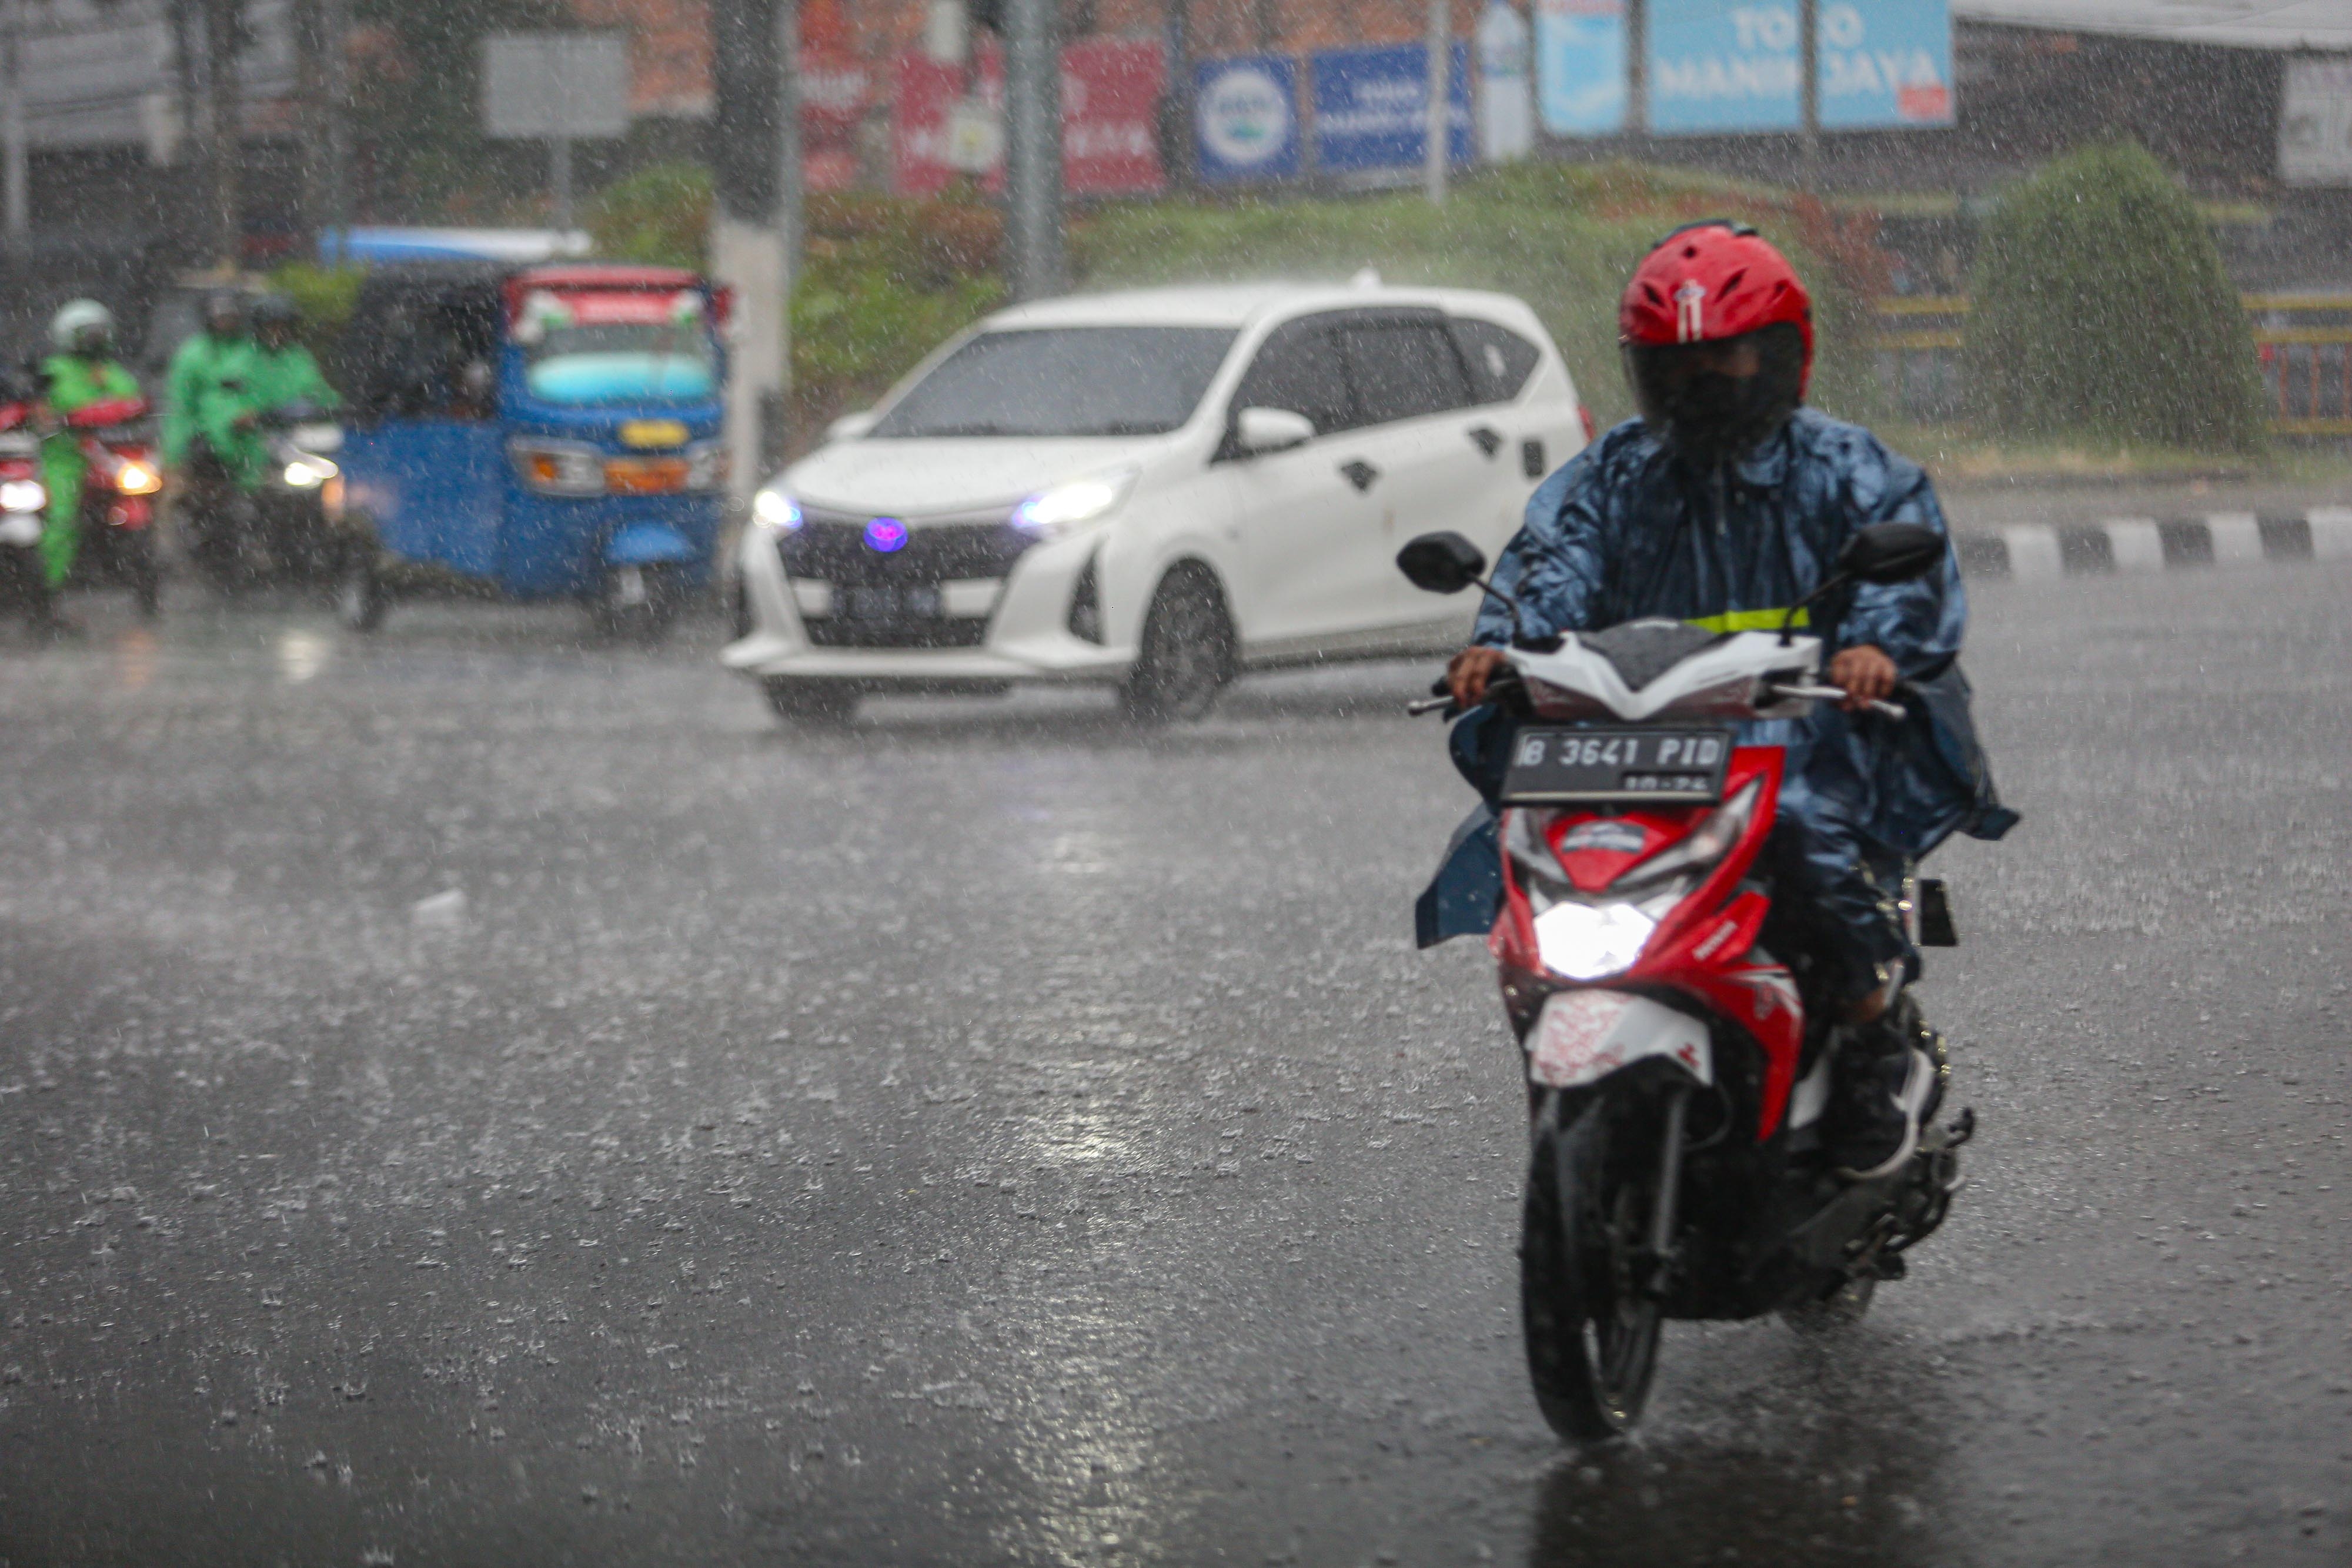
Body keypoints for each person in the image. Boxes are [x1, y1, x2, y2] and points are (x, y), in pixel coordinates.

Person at [1433, 220, 2014, 1179]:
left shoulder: (1849, 470)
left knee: (1799, 830)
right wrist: (1503, 648)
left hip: (1809, 733)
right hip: (1636, 739)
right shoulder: (1616, 477)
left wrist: (1873, 647)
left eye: (1732, 357)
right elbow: (1553, 567)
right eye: (1678, 366)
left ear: (1785, 354)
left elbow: (1904, 569)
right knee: (1525, 848)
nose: (1707, 384)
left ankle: (1870, 1042)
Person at [34, 299, 143, 633]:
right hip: (65, 458)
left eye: (100, 334)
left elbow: (132, 399)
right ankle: (47, 593)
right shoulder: (53, 370)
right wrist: (92, 412)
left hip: (106, 457)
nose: (95, 341)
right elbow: (65, 406)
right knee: (62, 520)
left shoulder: (110, 370)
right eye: (87, 335)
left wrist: (100, 411)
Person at [194, 293, 340, 492]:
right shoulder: (240, 360)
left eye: (283, 326)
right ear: (258, 328)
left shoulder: (299, 359)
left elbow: (320, 393)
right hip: (247, 450)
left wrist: (337, 409)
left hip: (292, 448)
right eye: (271, 326)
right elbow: (220, 401)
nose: (277, 333)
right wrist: (237, 417)